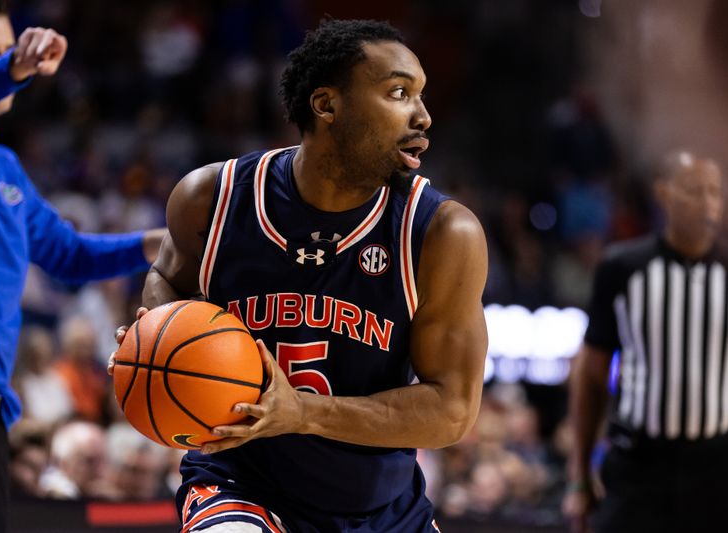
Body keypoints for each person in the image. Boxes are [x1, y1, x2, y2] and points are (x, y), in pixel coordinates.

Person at [110, 18, 488, 533]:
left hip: (380, 511)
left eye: (421, 96)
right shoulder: (212, 198)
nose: (422, 116)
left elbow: (452, 411)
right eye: (398, 93)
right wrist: (155, 340)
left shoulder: (443, 233)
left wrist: (303, 413)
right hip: (238, 486)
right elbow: (167, 280)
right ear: (327, 105)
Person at [0, 2, 165, 530]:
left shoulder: (3, 168)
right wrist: (14, 66)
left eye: (2, 49)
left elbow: (69, 255)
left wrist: (155, 242)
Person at [562, 150, 728, 533]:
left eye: (714, 192)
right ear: (663, 194)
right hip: (637, 465)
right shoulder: (621, 268)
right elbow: (591, 377)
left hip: (719, 469)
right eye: (693, 191)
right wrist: (581, 476)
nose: (707, 202)